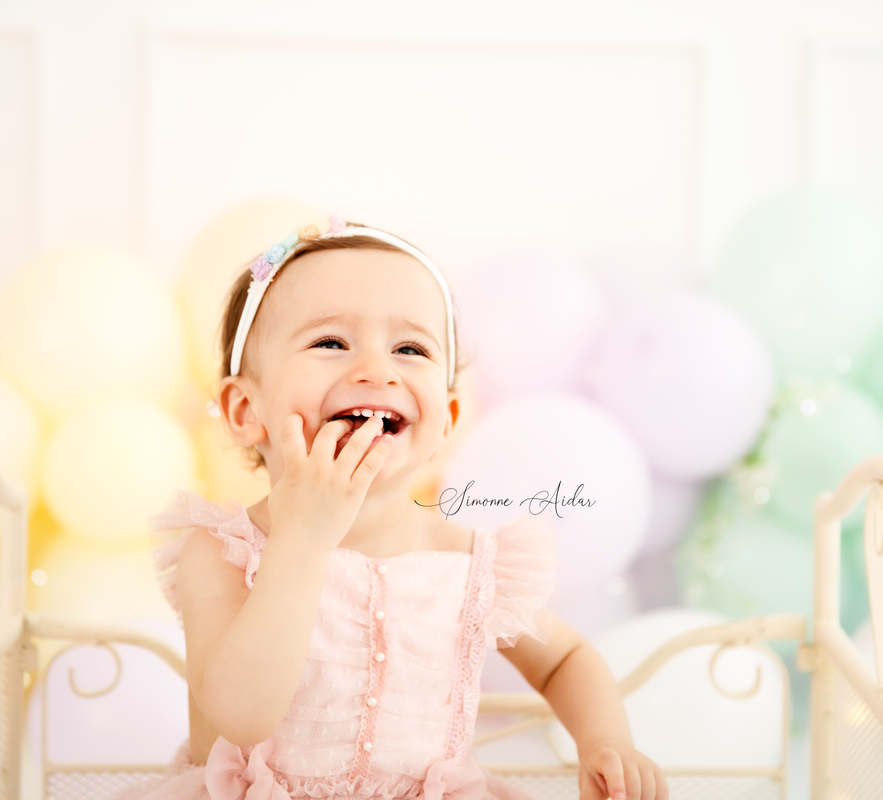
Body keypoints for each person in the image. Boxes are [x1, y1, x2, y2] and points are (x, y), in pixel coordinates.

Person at [118, 216, 668, 800]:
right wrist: (303, 538)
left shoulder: (468, 562)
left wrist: (605, 741)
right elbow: (242, 716)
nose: (377, 371)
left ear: (447, 422)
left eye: (410, 349)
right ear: (245, 410)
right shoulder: (223, 553)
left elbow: (564, 660)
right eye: (331, 342)